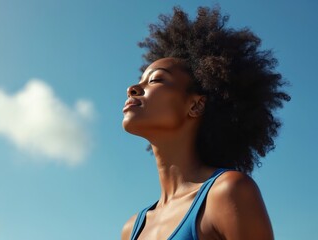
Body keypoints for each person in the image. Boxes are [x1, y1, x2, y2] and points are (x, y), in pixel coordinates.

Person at [121, 6, 290, 240]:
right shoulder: (131, 229)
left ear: (196, 105)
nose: (134, 88)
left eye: (156, 79)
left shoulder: (228, 192)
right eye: (140, 80)